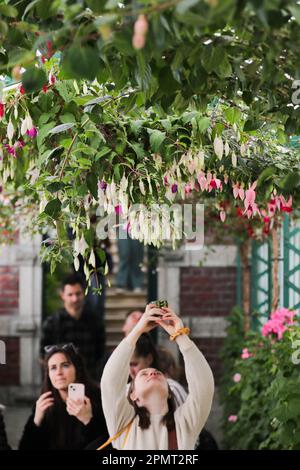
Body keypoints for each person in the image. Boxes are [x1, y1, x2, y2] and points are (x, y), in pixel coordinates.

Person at [100, 304, 214, 450]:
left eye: (158, 373)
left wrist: (181, 336)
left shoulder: (184, 423)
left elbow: (204, 387)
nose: (152, 373)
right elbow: (110, 382)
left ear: (169, 393)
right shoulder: (123, 422)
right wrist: (137, 330)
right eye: (144, 374)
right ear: (133, 395)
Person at [19, 344, 108, 450]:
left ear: (77, 369)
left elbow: (109, 444)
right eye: (53, 368)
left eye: (65, 365)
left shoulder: (98, 398)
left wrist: (88, 420)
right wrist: (36, 421)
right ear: (48, 374)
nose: (58, 372)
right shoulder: (45, 403)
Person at [40, 273, 106, 380]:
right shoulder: (52, 322)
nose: (75, 299)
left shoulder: (95, 321)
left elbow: (100, 354)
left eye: (78, 293)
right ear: (62, 295)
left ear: (84, 293)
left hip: (89, 378)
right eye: (70, 294)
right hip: (61, 380)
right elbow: (44, 356)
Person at [116, 225, 144, 293]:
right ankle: (121, 283)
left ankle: (136, 283)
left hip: (137, 226)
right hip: (122, 226)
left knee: (136, 255)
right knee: (124, 254)